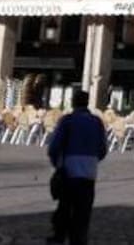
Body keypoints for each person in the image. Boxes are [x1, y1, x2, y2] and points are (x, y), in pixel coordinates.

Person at [47, 90, 107, 245]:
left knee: (65, 207)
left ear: (73, 102)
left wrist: (57, 164)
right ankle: (79, 240)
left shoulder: (68, 121)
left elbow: (54, 147)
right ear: (87, 102)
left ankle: (60, 236)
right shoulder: (97, 122)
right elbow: (102, 149)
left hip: (69, 171)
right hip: (89, 173)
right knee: (83, 212)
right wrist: (92, 161)